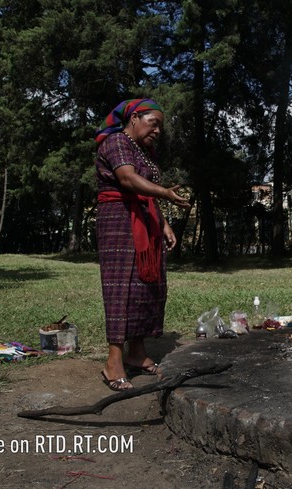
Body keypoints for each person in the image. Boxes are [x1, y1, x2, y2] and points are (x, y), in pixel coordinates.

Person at [94, 98, 190, 391]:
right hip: (119, 221)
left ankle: (136, 352)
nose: (158, 130)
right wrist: (164, 192)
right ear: (135, 118)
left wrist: (163, 224)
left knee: (146, 286)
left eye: (161, 125)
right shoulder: (115, 143)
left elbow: (145, 194)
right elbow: (128, 179)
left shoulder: (142, 151)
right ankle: (114, 360)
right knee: (122, 286)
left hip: (145, 220)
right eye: (154, 122)